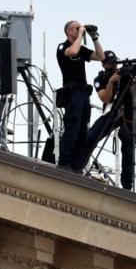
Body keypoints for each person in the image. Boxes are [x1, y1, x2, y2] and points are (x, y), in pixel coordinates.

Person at [54, 20, 103, 173]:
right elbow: (73, 52)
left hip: (83, 94)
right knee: (72, 127)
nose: (80, 29)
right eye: (76, 28)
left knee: (82, 130)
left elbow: (101, 56)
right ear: (69, 31)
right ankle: (65, 162)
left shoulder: (80, 48)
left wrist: (94, 38)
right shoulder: (63, 47)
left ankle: (76, 165)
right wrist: (81, 34)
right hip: (72, 94)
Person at [86, 51, 136, 190]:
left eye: (115, 63)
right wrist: (111, 81)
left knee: (128, 148)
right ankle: (79, 166)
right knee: (91, 136)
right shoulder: (101, 78)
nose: (113, 66)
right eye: (110, 63)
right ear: (104, 64)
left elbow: (135, 95)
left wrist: (134, 82)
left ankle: (127, 186)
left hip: (128, 112)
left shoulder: (124, 74)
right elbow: (105, 98)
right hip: (112, 111)